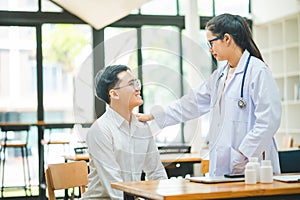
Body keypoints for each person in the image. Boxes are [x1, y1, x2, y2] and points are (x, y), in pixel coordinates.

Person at [137, 13, 282, 176]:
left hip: (250, 166)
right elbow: (191, 103)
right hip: (225, 167)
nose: (210, 49)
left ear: (226, 39)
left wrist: (243, 154)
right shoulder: (220, 76)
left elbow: (269, 121)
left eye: (211, 42)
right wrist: (155, 116)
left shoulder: (258, 72)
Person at [81, 65, 167, 200]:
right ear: (114, 94)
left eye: (137, 82)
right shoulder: (101, 130)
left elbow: (156, 172)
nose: (138, 88)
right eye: (131, 84)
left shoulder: (142, 127)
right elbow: (114, 188)